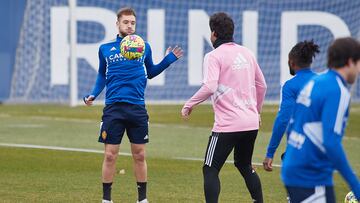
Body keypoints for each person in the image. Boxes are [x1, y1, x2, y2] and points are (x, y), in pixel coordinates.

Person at [83, 7, 183, 203]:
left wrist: (168, 60)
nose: (129, 26)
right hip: (113, 108)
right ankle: (106, 200)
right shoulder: (105, 48)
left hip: (137, 108)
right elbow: (102, 74)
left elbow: (151, 72)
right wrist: (93, 93)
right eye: (126, 22)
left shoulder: (143, 46)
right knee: (110, 155)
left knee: (139, 154)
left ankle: (142, 199)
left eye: (133, 23)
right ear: (118, 24)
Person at [181, 12, 267, 203]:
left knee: (210, 168)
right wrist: (257, 111)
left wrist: (189, 104)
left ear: (214, 34)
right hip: (250, 123)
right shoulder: (247, 53)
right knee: (244, 165)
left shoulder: (213, 56)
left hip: (228, 125)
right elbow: (262, 86)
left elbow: (210, 86)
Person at [281, 37, 360, 202]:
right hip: (310, 175)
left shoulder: (316, 82)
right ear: (350, 62)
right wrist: (355, 185)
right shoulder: (338, 90)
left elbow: (292, 124)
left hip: (293, 168)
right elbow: (331, 143)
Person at [263, 40, 319, 171]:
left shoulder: (290, 86)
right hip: (322, 147)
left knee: (297, 189)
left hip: (299, 148)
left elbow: (283, 120)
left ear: (292, 62)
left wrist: (270, 153)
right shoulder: (324, 82)